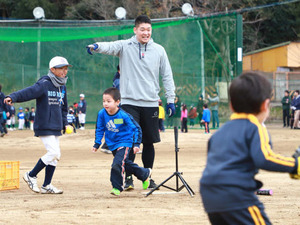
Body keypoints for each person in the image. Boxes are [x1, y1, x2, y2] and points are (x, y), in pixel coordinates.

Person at [86, 15, 175, 190]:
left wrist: (170, 99)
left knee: (149, 142)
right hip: (128, 103)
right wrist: (96, 46)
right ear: (135, 30)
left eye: (149, 30)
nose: (146, 33)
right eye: (142, 29)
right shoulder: (125, 46)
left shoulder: (159, 50)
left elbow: (167, 75)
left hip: (150, 103)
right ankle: (128, 179)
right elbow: (110, 46)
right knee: (129, 141)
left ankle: (147, 176)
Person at [200, 71, 300, 225]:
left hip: (210, 196)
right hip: (236, 195)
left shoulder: (219, 133)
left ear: (232, 105)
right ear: (265, 105)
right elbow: (264, 158)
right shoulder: (255, 127)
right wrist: (294, 165)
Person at [4, 56, 72, 194]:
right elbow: (29, 92)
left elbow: (64, 108)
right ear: (52, 70)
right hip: (44, 124)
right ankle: (31, 175)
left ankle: (46, 185)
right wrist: (14, 97)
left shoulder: (62, 86)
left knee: (55, 155)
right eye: (61, 69)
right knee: (53, 152)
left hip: (56, 126)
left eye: (66, 68)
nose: (64, 71)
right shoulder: (44, 83)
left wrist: (65, 123)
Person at [92, 87, 152, 196]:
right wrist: (97, 143)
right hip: (112, 144)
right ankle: (144, 173)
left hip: (125, 142)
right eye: (104, 101)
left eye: (109, 101)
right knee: (125, 163)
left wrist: (137, 143)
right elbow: (100, 128)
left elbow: (136, 128)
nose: (105, 104)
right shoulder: (102, 114)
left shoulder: (123, 115)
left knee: (117, 164)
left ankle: (117, 187)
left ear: (117, 102)